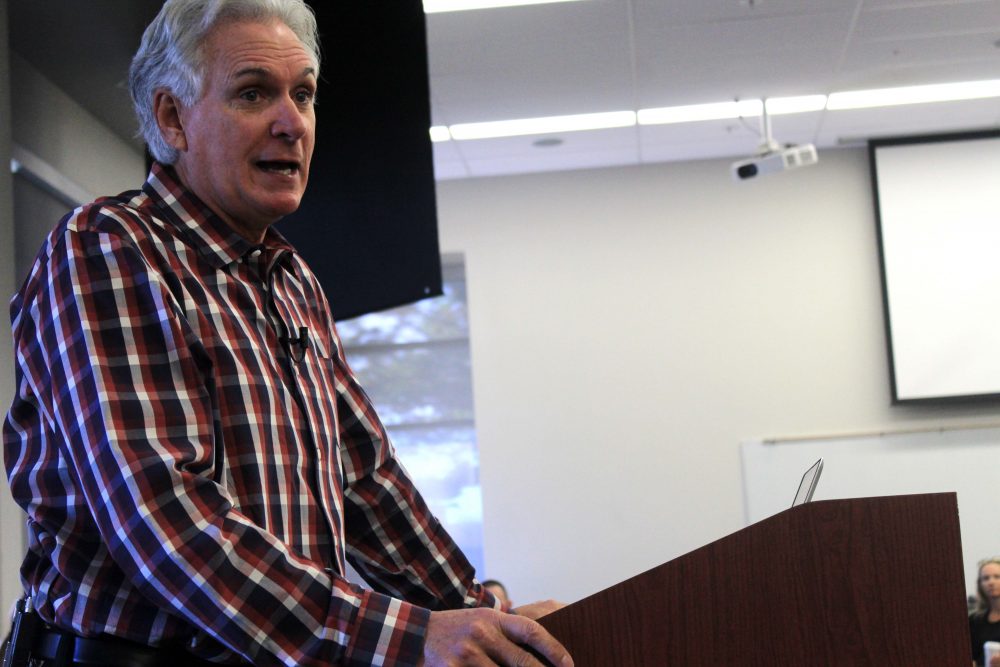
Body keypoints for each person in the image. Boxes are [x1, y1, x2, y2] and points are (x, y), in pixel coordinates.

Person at [1, 1, 572, 665]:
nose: (291, 122)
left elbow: (367, 482)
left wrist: (481, 615)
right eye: (253, 93)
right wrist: (410, 638)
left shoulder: (292, 278)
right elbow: (165, 519)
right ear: (171, 117)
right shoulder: (107, 248)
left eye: (303, 94)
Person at [970, 557, 1000, 667]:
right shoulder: (975, 621)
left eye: (997, 577)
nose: (991, 582)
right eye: (986, 578)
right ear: (980, 584)